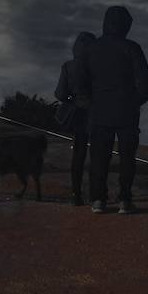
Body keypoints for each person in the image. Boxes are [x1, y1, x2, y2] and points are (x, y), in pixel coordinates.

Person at [81, 5, 148, 215]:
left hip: (99, 112)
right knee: (127, 159)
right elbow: (144, 83)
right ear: (125, 25)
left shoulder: (91, 49)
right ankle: (124, 200)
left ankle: (98, 200)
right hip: (127, 112)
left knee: (99, 159)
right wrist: (135, 102)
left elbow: (81, 81)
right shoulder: (132, 48)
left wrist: (90, 103)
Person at [53, 31, 96, 206]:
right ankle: (97, 195)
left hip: (78, 114)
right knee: (98, 155)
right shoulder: (98, 67)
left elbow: (60, 93)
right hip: (97, 114)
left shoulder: (68, 66)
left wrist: (71, 98)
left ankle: (76, 194)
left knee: (78, 155)